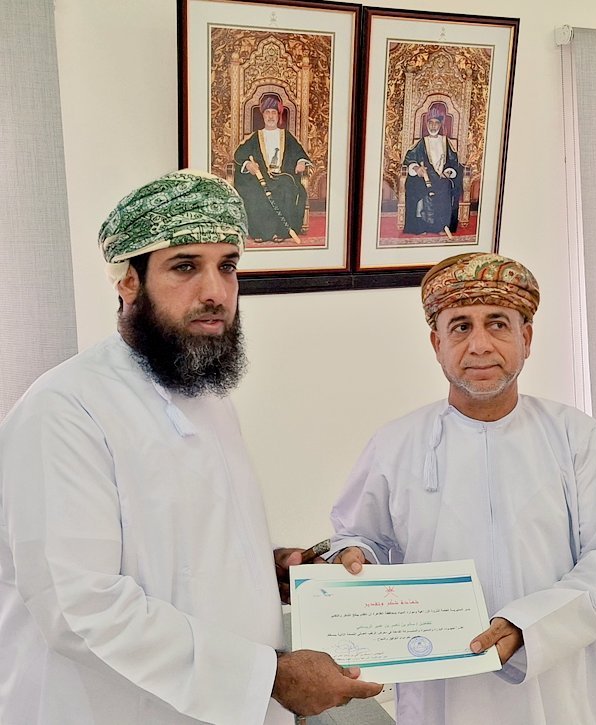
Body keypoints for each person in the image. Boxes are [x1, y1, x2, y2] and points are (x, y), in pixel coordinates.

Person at [0, 170, 381, 724]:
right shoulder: (64, 411)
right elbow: (79, 609)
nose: (215, 292)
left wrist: (266, 569)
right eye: (185, 266)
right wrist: (269, 676)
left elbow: (186, 547)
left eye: (227, 265)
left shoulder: (205, 392)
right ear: (128, 281)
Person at [329, 252, 596, 724]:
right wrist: (354, 558)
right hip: (441, 691)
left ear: (525, 338)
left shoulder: (576, 437)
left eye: (497, 324)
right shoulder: (396, 443)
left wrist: (527, 626)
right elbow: (357, 538)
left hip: (555, 684)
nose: (479, 346)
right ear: (436, 343)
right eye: (460, 327)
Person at [233, 93, 312, 241]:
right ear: (263, 115)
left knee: (287, 190)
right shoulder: (255, 136)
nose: (270, 116)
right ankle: (260, 233)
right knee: (254, 193)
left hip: (283, 177)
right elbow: (239, 155)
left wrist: (301, 162)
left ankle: (281, 232)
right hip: (261, 178)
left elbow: (300, 153)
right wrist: (248, 164)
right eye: (267, 113)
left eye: (273, 112)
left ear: (278, 115)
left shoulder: (286, 136)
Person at [402, 112, 464, 236]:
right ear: (427, 124)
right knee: (417, 186)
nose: (433, 126)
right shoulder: (422, 142)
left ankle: (442, 226)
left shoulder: (445, 142)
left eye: (436, 123)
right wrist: (417, 169)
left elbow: (453, 161)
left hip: (442, 177)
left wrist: (448, 171)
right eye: (431, 123)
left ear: (440, 125)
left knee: (446, 186)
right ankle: (422, 226)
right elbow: (410, 158)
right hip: (425, 177)